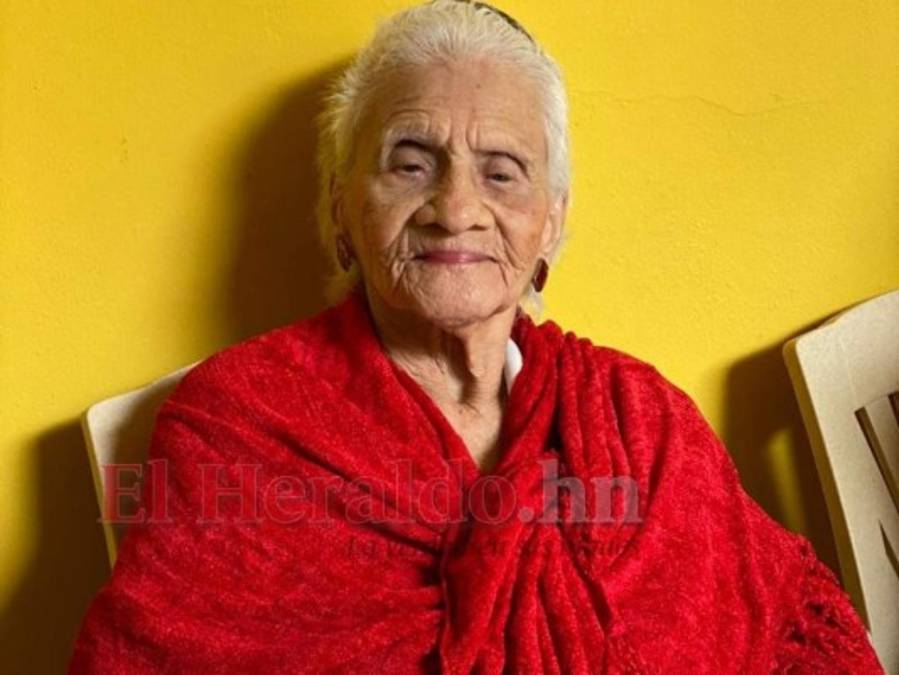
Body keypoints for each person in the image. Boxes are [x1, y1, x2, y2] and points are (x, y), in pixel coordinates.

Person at [67, 1, 885, 672]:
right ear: (342, 209)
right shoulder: (239, 423)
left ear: (549, 224)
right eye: (410, 162)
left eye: (500, 171)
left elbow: (787, 632)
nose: (455, 208)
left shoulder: (639, 419)